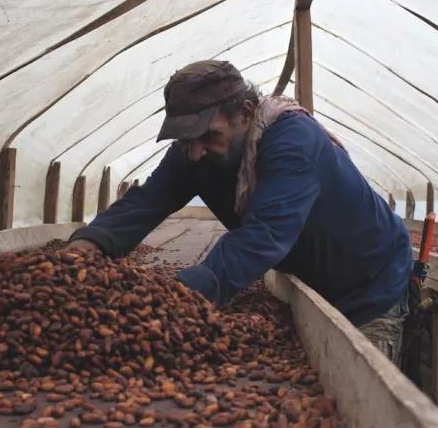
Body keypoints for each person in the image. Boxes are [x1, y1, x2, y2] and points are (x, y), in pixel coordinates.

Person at [68, 60, 412, 362]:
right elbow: (146, 201)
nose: (196, 152)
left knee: (357, 395)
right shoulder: (194, 152)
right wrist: (89, 244)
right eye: (186, 139)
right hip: (308, 285)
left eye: (208, 135)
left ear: (245, 114)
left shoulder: (292, 141)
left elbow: (265, 234)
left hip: (368, 286)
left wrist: (177, 296)